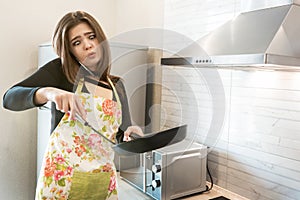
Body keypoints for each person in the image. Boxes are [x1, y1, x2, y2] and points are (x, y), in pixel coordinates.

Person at [3, 10, 143, 199]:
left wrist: (130, 136)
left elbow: (119, 135)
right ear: (70, 51)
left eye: (91, 37)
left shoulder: (117, 86)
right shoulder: (61, 73)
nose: (87, 45)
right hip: (61, 181)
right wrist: (48, 92)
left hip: (102, 181)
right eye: (77, 43)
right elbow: (9, 98)